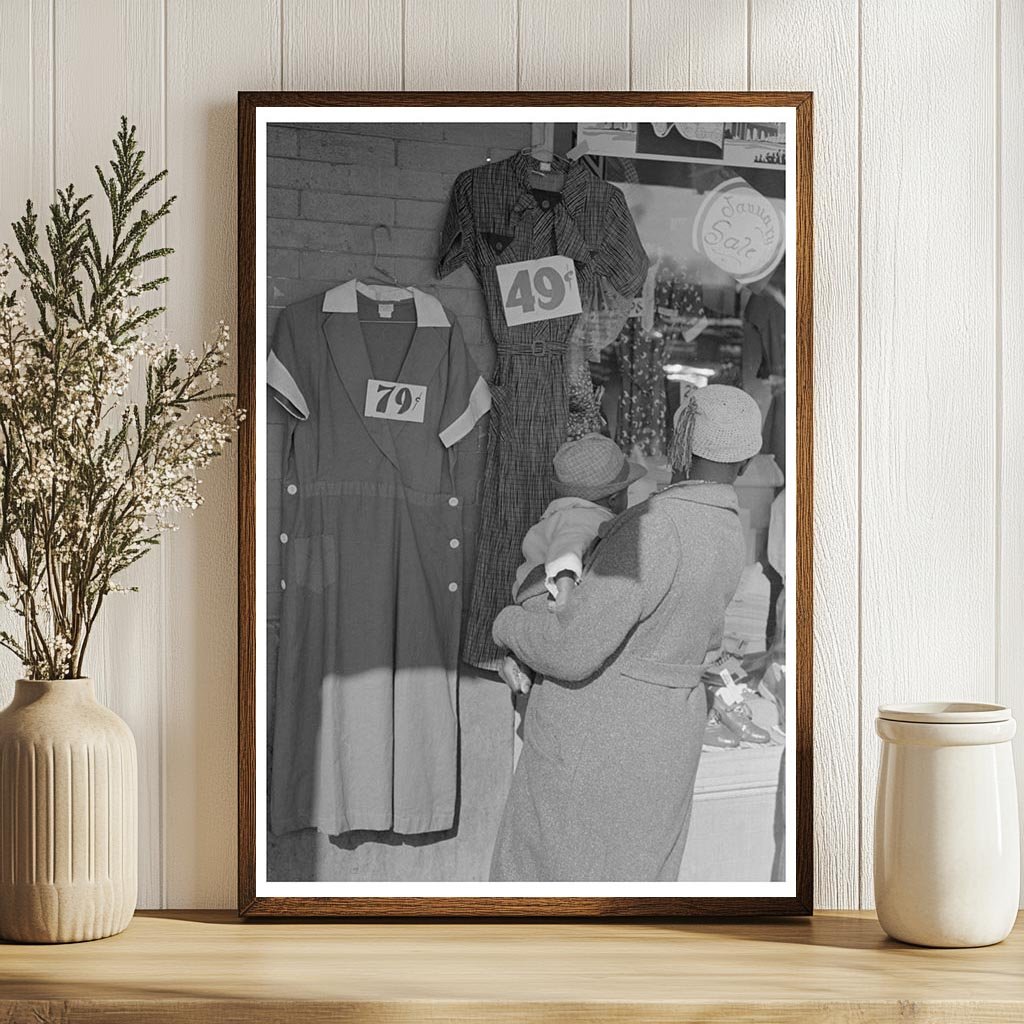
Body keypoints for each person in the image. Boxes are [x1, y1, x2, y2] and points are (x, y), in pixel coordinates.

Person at [490, 384, 763, 881]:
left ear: (680, 443)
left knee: (550, 901)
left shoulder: (653, 527)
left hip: (599, 743)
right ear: (744, 463)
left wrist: (508, 623)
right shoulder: (729, 532)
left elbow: (572, 650)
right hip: (665, 737)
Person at [512, 433, 646, 612]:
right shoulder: (586, 520)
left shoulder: (563, 515)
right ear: (614, 499)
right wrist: (565, 594)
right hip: (548, 596)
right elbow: (566, 552)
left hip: (534, 590)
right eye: (625, 493)